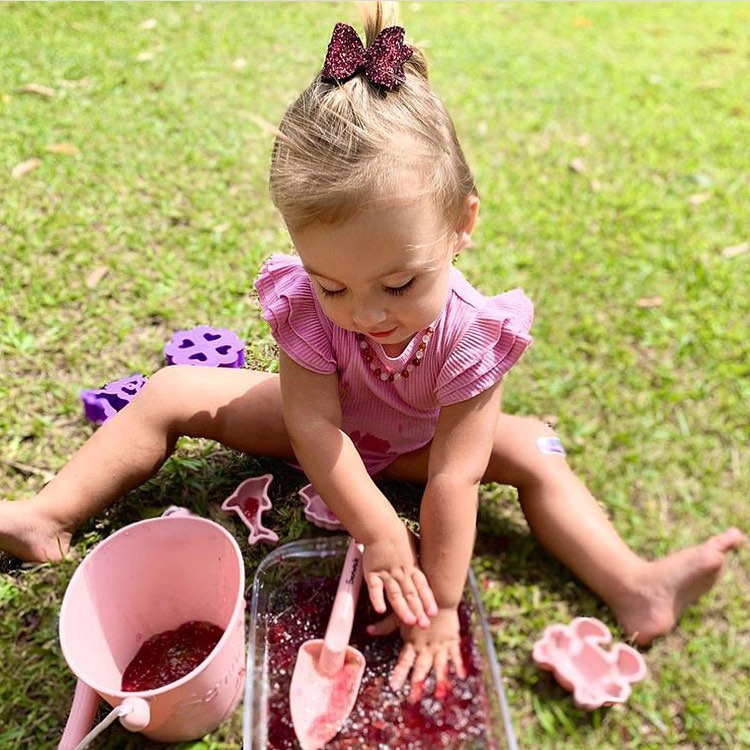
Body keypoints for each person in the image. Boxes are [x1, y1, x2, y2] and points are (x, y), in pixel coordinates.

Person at [1, 3, 744, 698]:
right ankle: (48, 515)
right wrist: (381, 528)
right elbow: (313, 426)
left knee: (535, 450)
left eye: (398, 283)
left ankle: (634, 585)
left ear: (462, 223)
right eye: (333, 285)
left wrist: (440, 603)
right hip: (323, 427)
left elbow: (455, 477)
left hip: (421, 446)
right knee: (169, 391)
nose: (365, 314)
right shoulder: (308, 303)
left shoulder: (472, 334)